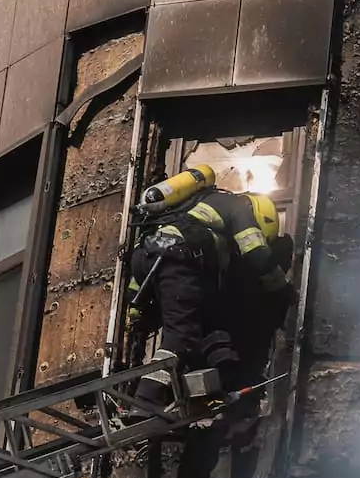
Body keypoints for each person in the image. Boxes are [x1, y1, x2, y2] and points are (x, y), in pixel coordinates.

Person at [126, 162, 295, 405]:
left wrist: (137, 312)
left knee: (199, 319)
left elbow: (141, 281)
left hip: (146, 256)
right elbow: (257, 253)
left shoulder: (190, 209)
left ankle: (219, 380)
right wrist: (284, 291)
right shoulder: (237, 206)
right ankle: (146, 402)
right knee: (180, 338)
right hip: (177, 256)